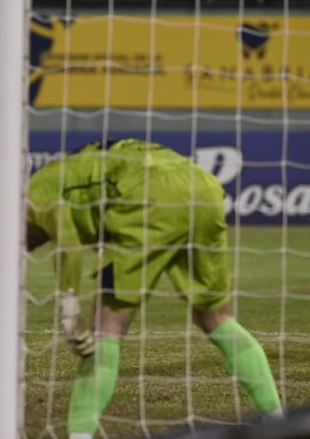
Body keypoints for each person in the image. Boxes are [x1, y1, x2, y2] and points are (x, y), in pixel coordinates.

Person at [25, 138, 284, 439]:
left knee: (106, 326)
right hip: (203, 187)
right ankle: (276, 421)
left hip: (147, 197)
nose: (27, 247)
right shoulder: (80, 166)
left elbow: (67, 245)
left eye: (21, 241)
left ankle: (79, 435)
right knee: (215, 317)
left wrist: (68, 307)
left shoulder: (34, 194)